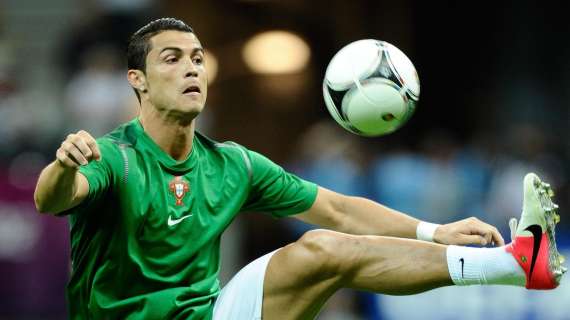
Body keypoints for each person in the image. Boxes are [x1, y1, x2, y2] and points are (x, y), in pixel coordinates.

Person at [34, 18, 566, 320]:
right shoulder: (115, 156)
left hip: (213, 316)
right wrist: (62, 165)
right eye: (172, 59)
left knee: (324, 246)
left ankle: (515, 264)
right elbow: (52, 198)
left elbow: (335, 207)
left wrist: (435, 230)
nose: (191, 67)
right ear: (139, 81)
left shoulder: (233, 163)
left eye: (197, 57)